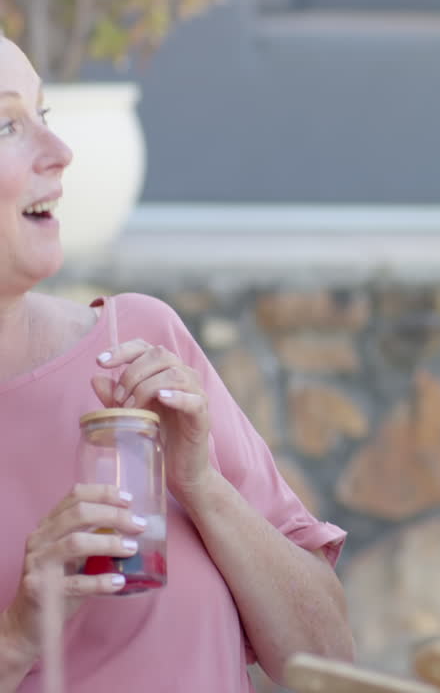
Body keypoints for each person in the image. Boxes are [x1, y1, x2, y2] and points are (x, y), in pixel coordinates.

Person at [0, 36, 353, 691]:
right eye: (6, 124)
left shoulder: (136, 343)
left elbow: (329, 661)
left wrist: (202, 485)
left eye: (43, 116)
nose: (60, 153)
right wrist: (19, 631)